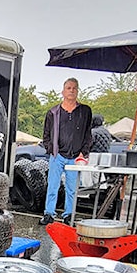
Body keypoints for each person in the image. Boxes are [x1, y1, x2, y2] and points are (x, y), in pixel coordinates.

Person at [39, 78, 93, 225]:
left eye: (74, 88)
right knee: (53, 186)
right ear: (63, 91)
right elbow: (46, 134)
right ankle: (49, 213)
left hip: (75, 156)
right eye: (68, 88)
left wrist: (84, 152)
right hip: (57, 155)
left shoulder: (85, 111)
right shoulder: (53, 112)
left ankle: (69, 215)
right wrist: (51, 149)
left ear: (78, 91)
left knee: (72, 189)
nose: (71, 90)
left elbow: (88, 134)